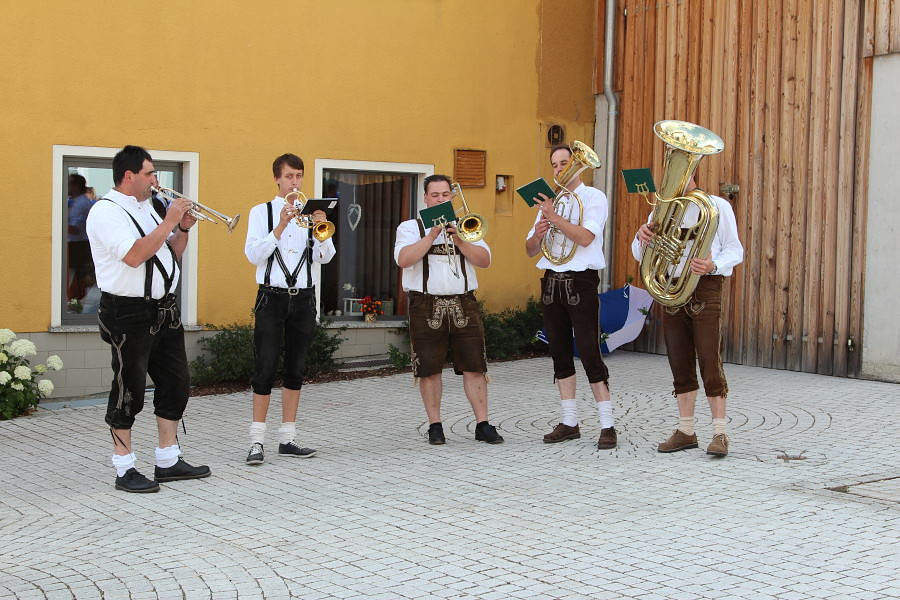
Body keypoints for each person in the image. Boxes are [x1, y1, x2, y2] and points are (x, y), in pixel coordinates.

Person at [86, 145, 210, 493]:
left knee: (176, 382)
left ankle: (167, 459)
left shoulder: (148, 208)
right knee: (130, 388)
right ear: (129, 176)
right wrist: (170, 220)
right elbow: (135, 255)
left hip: (164, 309)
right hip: (127, 311)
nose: (156, 180)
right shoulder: (106, 211)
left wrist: (182, 229)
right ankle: (124, 467)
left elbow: (170, 254)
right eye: (150, 173)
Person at [631, 174, 743, 457]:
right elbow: (638, 254)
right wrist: (642, 238)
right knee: (678, 359)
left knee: (709, 358)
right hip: (671, 286)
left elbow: (735, 249)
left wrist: (713, 265)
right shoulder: (661, 210)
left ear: (692, 173)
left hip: (705, 286)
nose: (675, 178)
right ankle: (686, 430)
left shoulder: (717, 205)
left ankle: (720, 433)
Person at [394, 174, 503, 445]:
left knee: (474, 366)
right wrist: (431, 235)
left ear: (452, 197)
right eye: (435, 195)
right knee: (429, 369)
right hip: (425, 304)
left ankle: (483, 424)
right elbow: (404, 259)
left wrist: (461, 241)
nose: (440, 200)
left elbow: (485, 260)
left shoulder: (466, 224)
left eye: (445, 195)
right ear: (425, 198)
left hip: (464, 302)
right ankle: (435, 426)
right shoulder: (410, 227)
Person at [243, 153, 336, 465]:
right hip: (271, 297)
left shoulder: (310, 215)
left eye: (298, 176)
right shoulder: (261, 212)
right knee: (265, 367)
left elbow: (325, 257)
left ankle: (287, 438)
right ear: (277, 179)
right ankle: (256, 441)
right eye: (289, 176)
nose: (295, 182)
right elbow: (253, 255)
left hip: (304, 298)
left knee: (296, 368)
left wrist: (321, 228)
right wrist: (280, 226)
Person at [524, 144, 617, 449]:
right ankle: (569, 422)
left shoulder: (593, 197)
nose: (559, 169)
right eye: (555, 164)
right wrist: (539, 232)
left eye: (565, 163)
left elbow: (586, 237)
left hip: (580, 280)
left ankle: (607, 425)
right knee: (559, 353)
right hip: (552, 280)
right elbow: (530, 250)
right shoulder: (549, 201)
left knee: (589, 352)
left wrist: (554, 217)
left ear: (577, 165)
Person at [67, 173, 96, 309]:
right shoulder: (75, 202)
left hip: (78, 245)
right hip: (76, 245)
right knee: (75, 278)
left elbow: (75, 230)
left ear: (76, 186)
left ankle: (75, 306)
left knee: (75, 278)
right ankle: (75, 305)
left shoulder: (81, 204)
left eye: (69, 184)